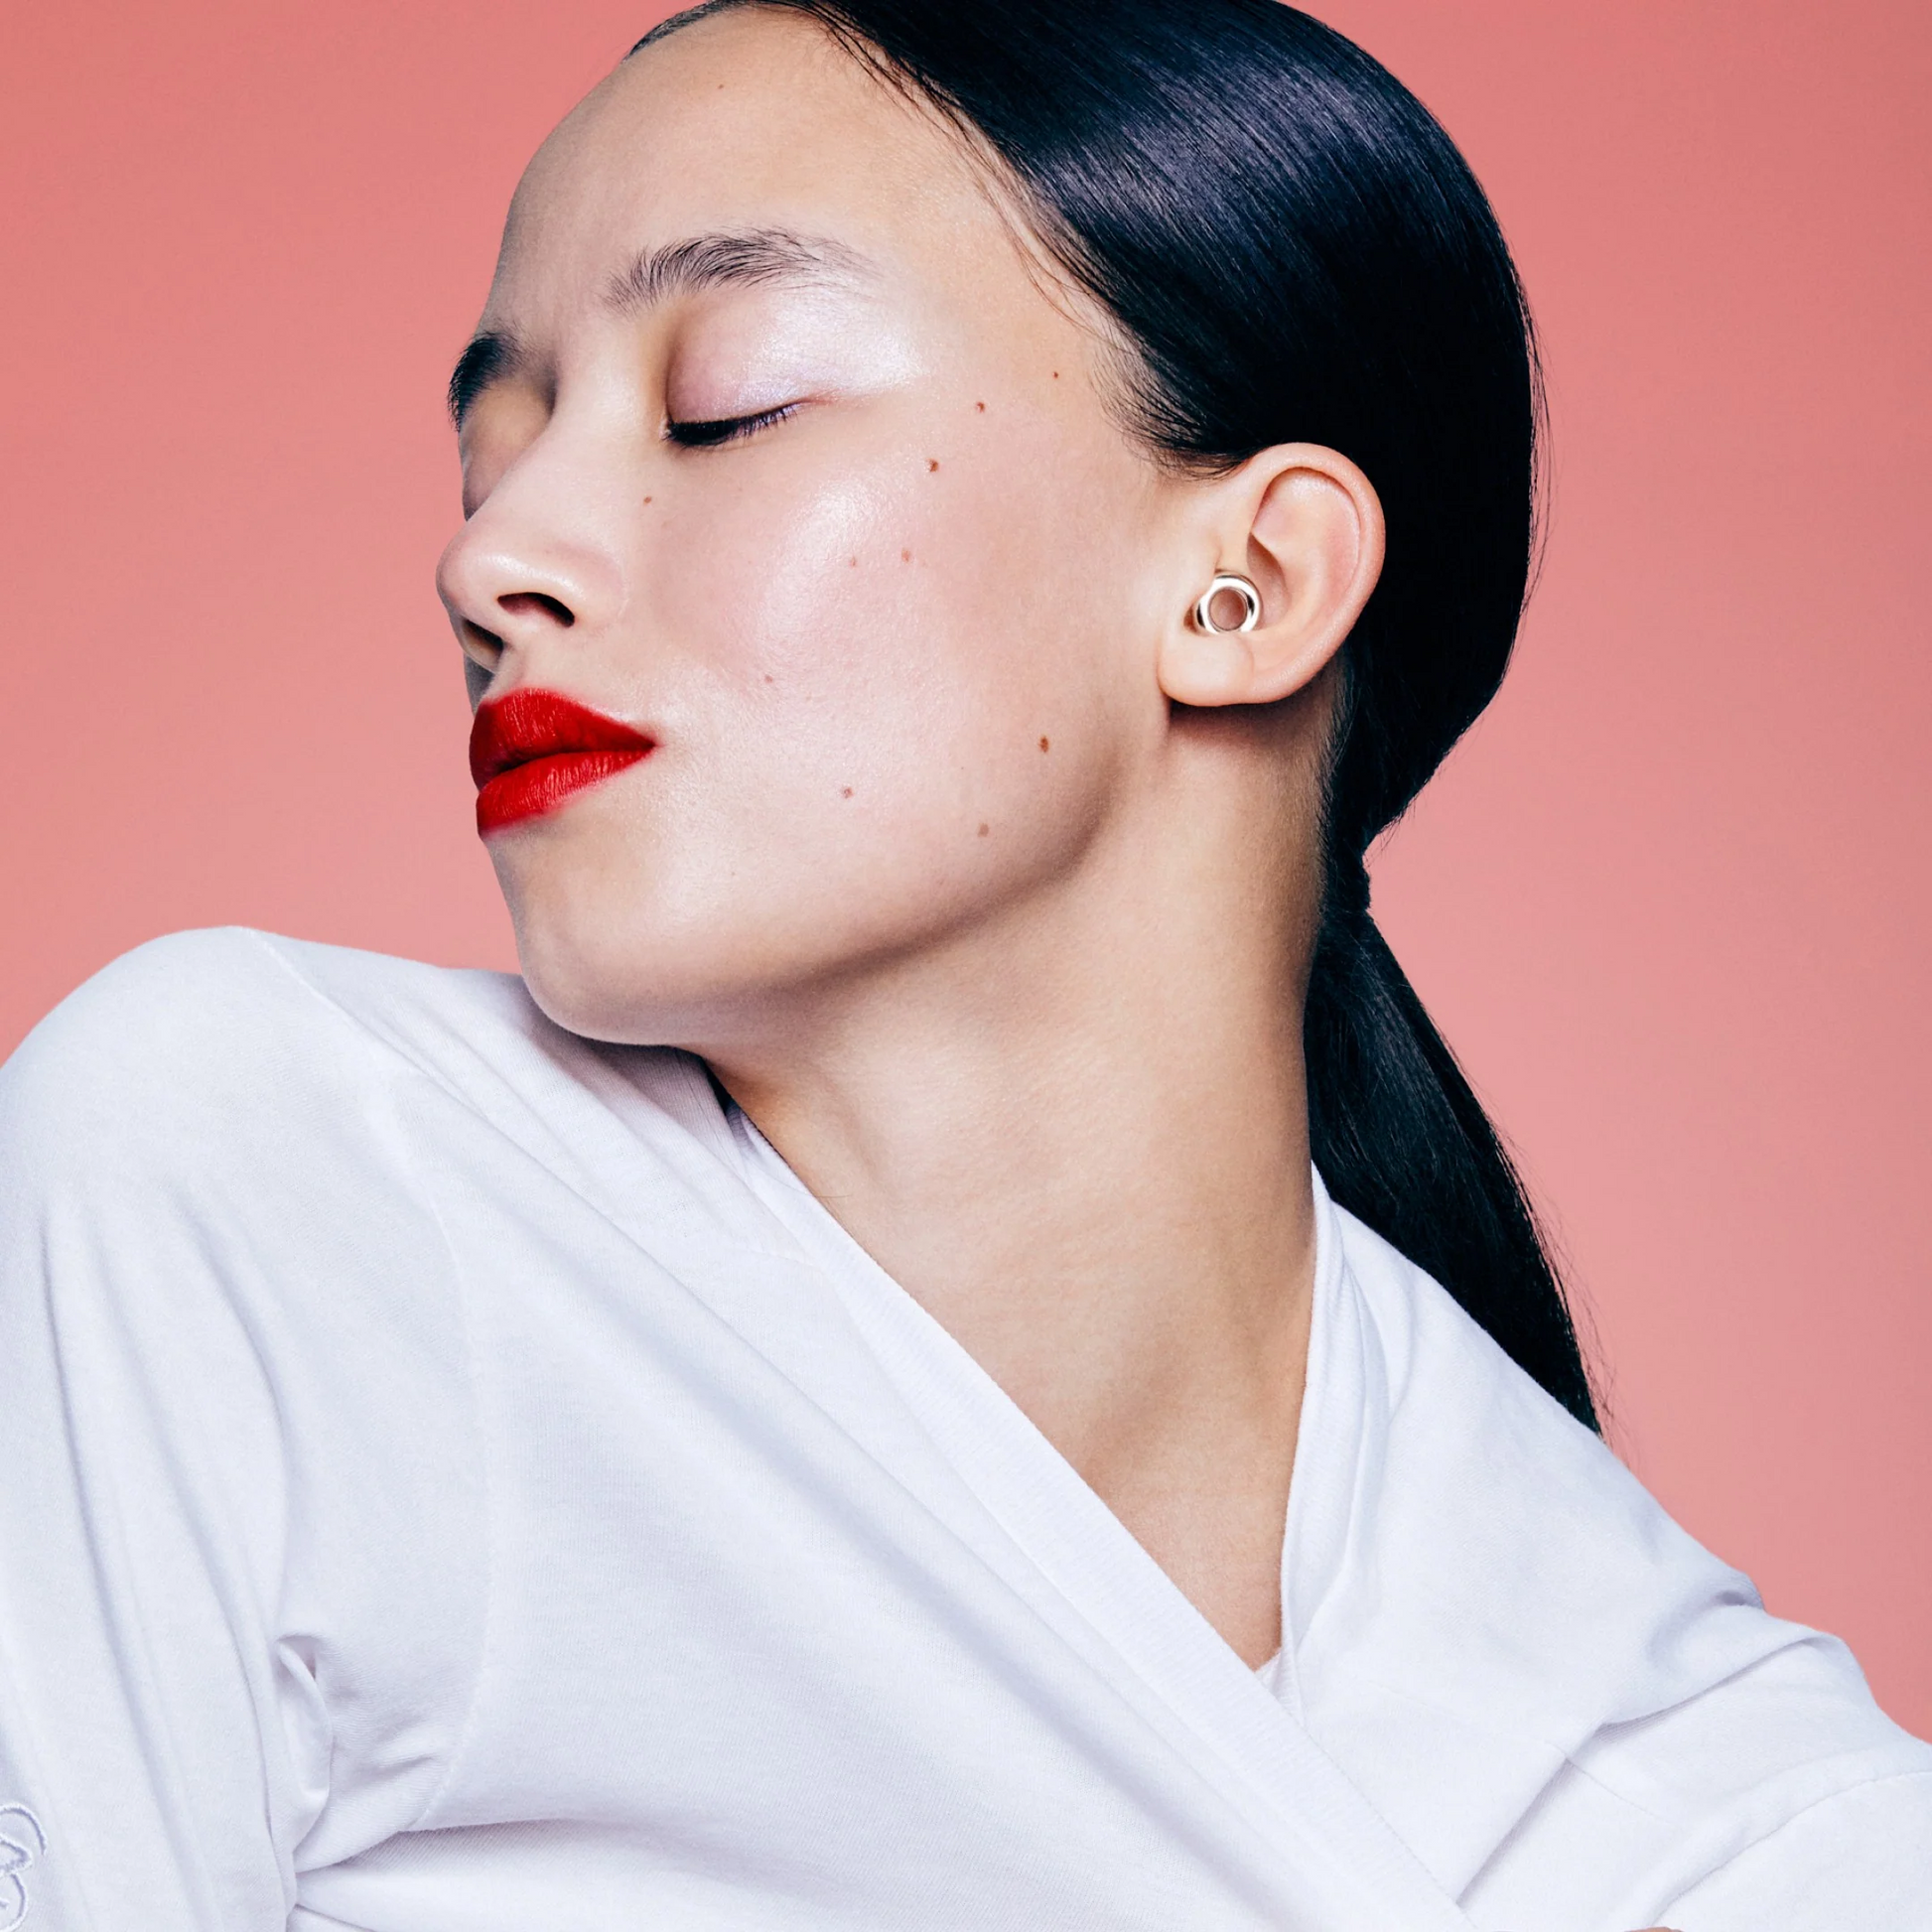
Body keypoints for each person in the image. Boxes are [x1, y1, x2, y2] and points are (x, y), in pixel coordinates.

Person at [1, 2, 1925, 1926]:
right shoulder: (266, 1207)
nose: (493, 559)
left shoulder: (1760, 1840)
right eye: (488, 458)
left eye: (723, 405)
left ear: (1245, 586)